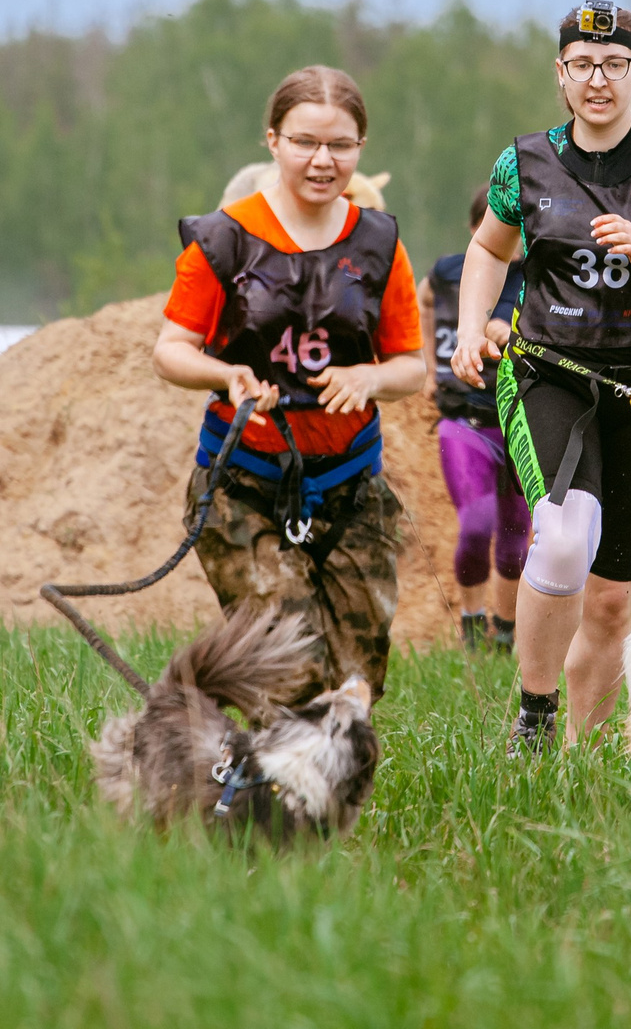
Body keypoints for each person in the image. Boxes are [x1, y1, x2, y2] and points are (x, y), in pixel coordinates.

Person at [450, 0, 631, 751]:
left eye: (615, 65)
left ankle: (578, 751)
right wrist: (468, 330)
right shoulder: (525, 161)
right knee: (561, 536)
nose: (599, 80)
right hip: (550, 371)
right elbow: (488, 248)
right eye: (582, 64)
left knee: (613, 601)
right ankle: (536, 714)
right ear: (561, 74)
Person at [155, 66, 428, 705]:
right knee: (293, 667)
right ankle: (271, 792)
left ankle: (325, 788)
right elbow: (169, 351)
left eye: (340, 144)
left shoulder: (380, 242)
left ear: (361, 148)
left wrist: (370, 377)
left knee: (357, 684)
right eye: (305, 141)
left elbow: (410, 366)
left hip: (349, 485)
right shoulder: (222, 238)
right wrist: (226, 375)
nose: (322, 159)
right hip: (242, 485)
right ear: (272, 141)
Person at [421, 185, 528, 652]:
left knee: (515, 537)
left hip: (524, 422)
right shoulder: (449, 272)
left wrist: (515, 333)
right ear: (475, 230)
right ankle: (470, 622)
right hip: (465, 418)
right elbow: (424, 301)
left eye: (517, 227)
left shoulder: (541, 278)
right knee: (477, 521)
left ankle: (504, 633)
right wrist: (429, 366)